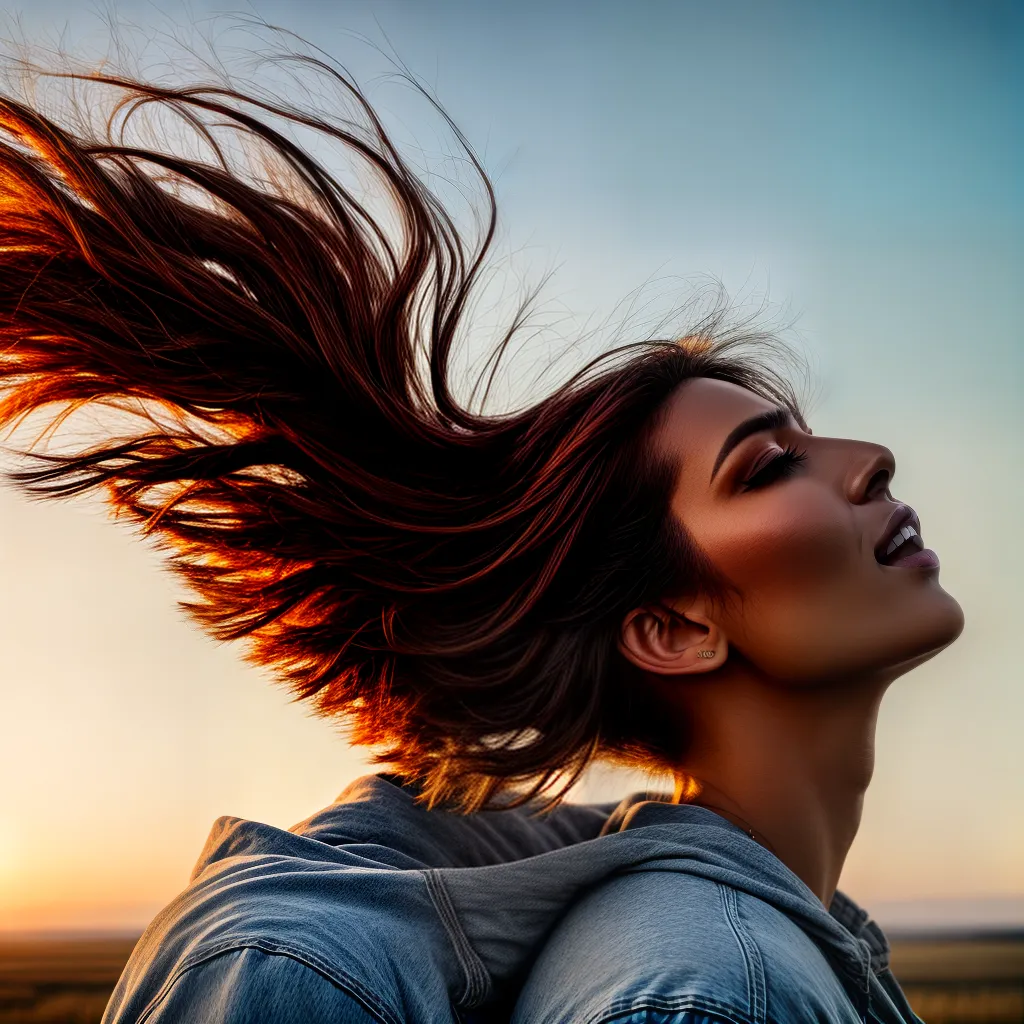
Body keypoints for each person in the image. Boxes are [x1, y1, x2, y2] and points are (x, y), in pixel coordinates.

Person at [0, 40, 961, 1024]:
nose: (870, 456)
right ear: (672, 627)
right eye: (766, 466)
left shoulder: (737, 943)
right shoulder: (715, 999)